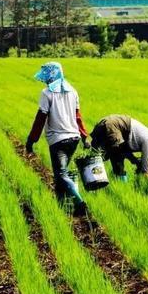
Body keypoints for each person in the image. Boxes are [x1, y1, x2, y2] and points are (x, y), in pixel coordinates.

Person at [26, 62, 90, 216]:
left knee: (61, 174)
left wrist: (31, 141)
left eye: (47, 76)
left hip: (58, 140)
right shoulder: (73, 91)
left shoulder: (47, 93)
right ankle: (60, 207)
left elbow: (40, 118)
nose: (46, 79)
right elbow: (78, 117)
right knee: (60, 175)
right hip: (73, 138)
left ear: (52, 75)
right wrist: (84, 136)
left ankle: (79, 203)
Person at [90, 114, 148, 181]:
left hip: (104, 123)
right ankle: (119, 182)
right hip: (112, 126)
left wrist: (134, 160)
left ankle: (93, 177)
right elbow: (146, 167)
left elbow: (124, 149)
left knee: (98, 157)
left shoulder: (145, 134)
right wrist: (147, 182)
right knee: (116, 157)